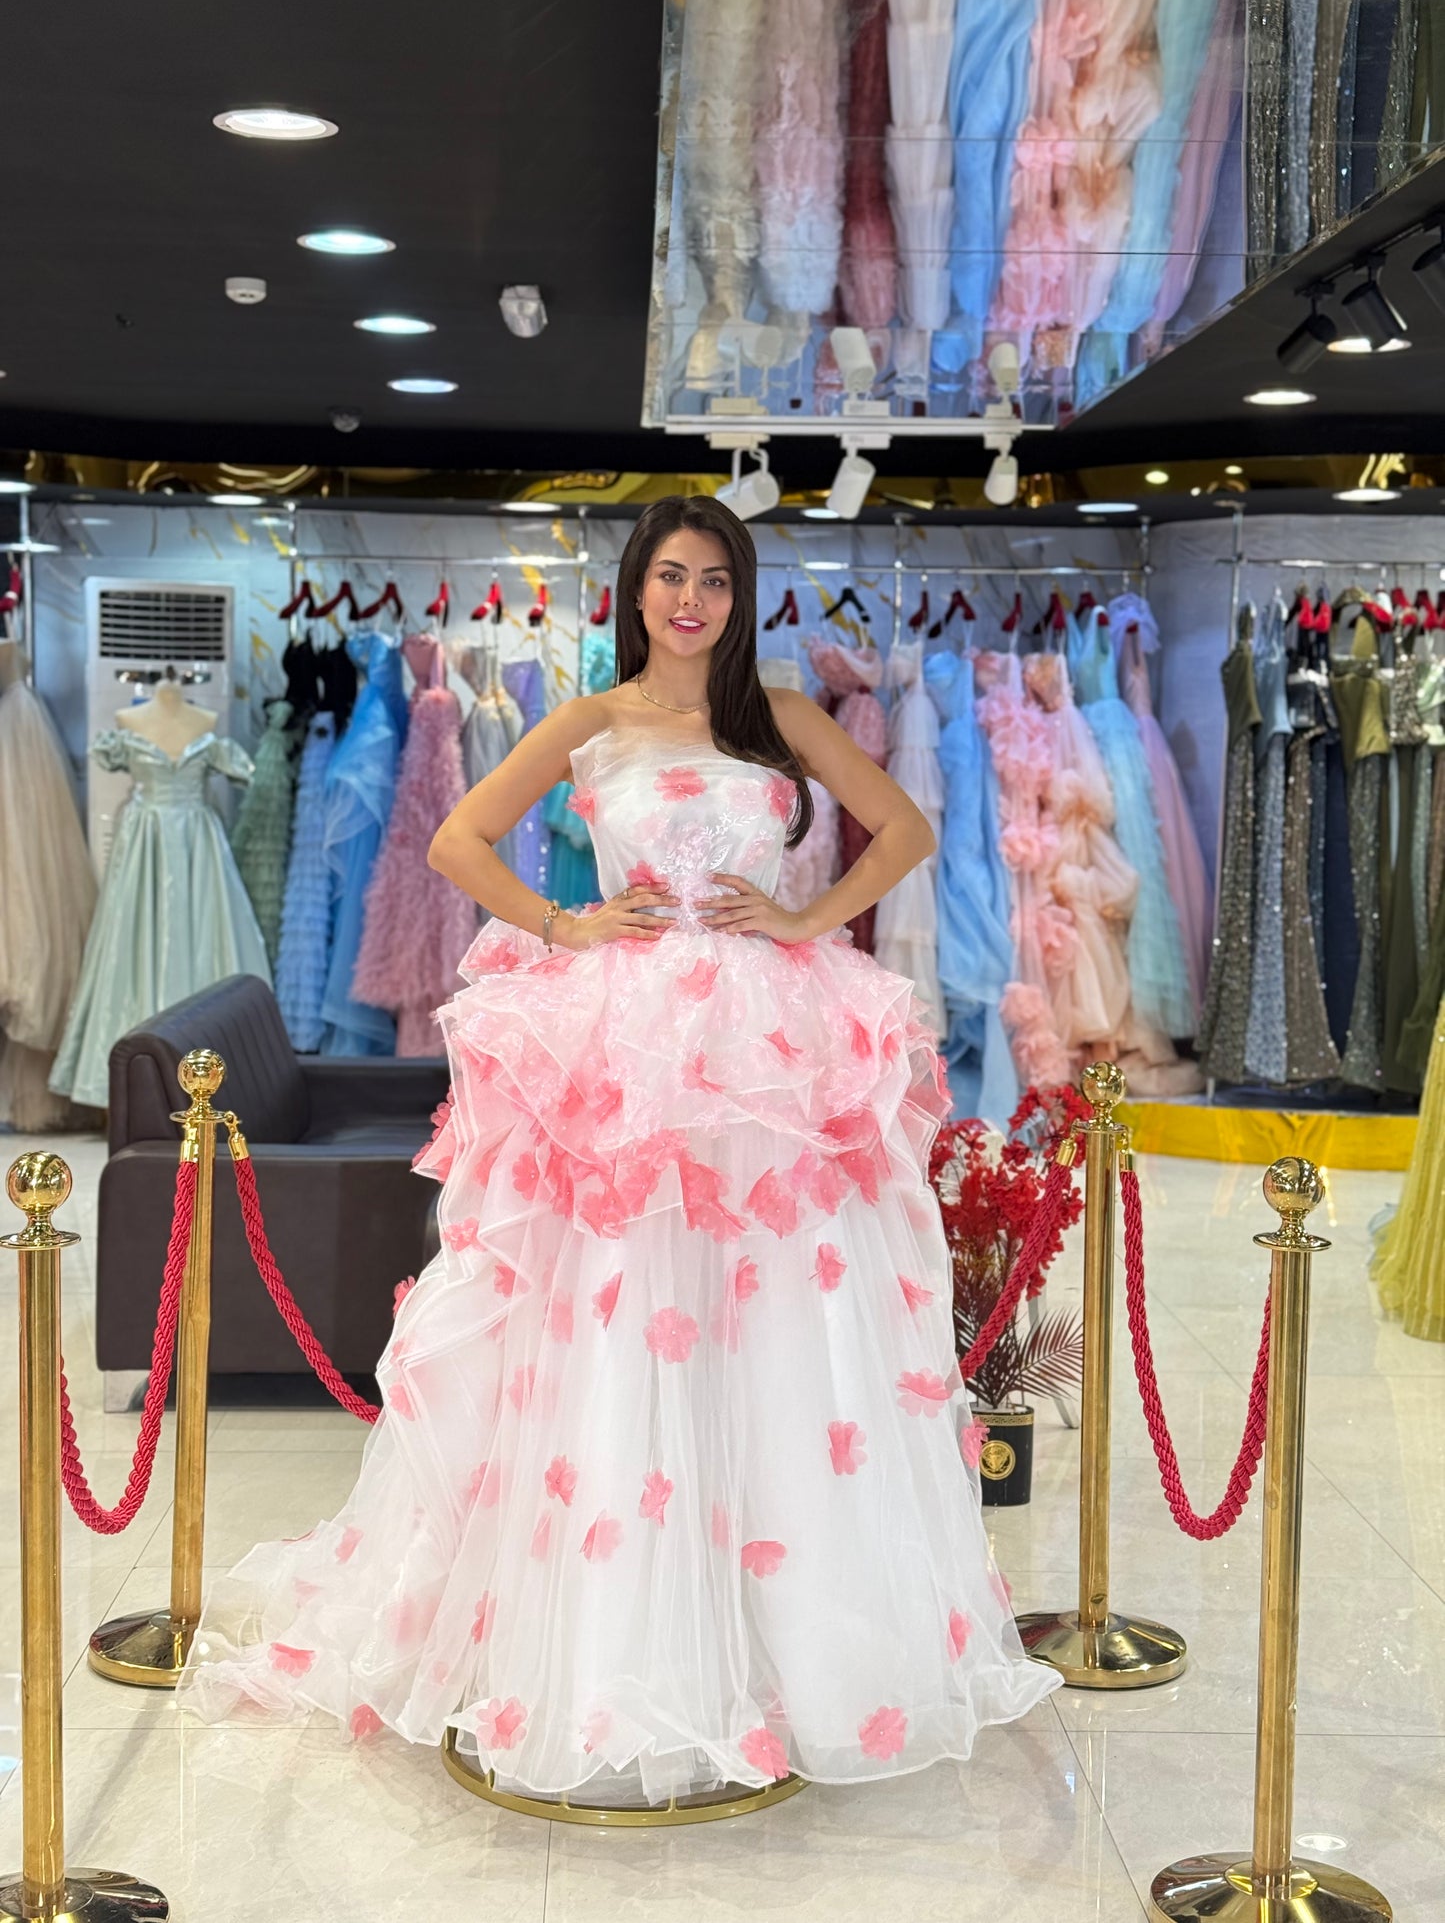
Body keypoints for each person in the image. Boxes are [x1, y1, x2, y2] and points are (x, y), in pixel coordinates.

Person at [179, 495, 1058, 1803]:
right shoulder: (590, 720)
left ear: (735, 591)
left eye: (710, 578)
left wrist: (807, 912)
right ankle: (607, 1627)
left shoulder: (783, 716)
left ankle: (773, 1632)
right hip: (625, 1036)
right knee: (615, 1305)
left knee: (778, 1318)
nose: (689, 601)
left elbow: (910, 830)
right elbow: (453, 838)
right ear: (636, 592)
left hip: (769, 1032)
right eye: (667, 578)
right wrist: (561, 921)